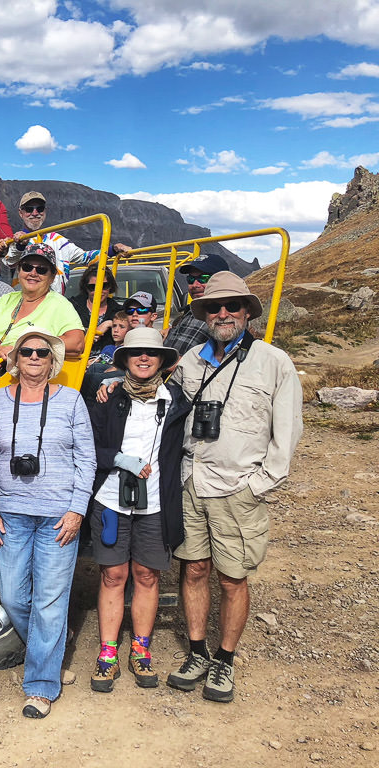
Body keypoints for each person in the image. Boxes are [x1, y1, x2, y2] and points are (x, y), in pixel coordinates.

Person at [167, 272, 303, 703]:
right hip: (193, 482)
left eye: (231, 307)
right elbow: (162, 404)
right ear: (204, 314)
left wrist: (258, 485)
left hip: (238, 490)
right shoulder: (190, 361)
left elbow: (288, 431)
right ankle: (196, 652)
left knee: (232, 579)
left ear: (247, 312)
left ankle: (224, 660)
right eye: (213, 307)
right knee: (193, 570)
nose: (222, 313)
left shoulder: (273, 362)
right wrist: (115, 382)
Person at [0, 330, 95, 719]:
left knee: (50, 600)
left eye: (41, 353)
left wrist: (77, 509)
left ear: (52, 362)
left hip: (57, 516)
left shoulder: (71, 400)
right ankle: (53, 650)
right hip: (11, 513)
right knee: (12, 596)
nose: (33, 357)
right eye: (26, 351)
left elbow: (88, 460)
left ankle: (41, 686)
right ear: (15, 359)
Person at [87, 327, 190, 693]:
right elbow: (86, 446)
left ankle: (141, 650)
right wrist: (118, 458)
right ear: (125, 361)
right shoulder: (106, 398)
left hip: (157, 502)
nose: (144, 359)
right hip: (112, 499)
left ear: (162, 360)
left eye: (151, 353)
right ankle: (108, 652)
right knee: (113, 575)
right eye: (136, 353)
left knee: (147, 575)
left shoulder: (177, 401)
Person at [0, 242, 85, 361]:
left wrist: (25, 348)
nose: (33, 273)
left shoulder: (59, 304)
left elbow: (77, 344)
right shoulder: (7, 298)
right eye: (27, 267)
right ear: (19, 271)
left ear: (52, 277)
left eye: (41, 270)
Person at [4, 191, 131, 293]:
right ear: (21, 213)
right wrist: (20, 244)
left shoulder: (59, 240)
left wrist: (114, 249)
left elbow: (86, 258)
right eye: (29, 209)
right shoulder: (15, 240)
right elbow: (10, 261)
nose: (35, 213)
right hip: (25, 303)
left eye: (40, 209)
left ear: (45, 211)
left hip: (55, 304)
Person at [164, 253, 229, 355]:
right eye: (191, 279)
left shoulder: (227, 317)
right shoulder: (190, 311)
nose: (194, 285)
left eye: (203, 278)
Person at [70, 262, 124, 352]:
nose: (98, 291)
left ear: (110, 287)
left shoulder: (119, 311)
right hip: (76, 360)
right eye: (92, 287)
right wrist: (92, 332)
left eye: (104, 286)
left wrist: (112, 323)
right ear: (86, 288)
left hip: (106, 362)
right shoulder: (71, 307)